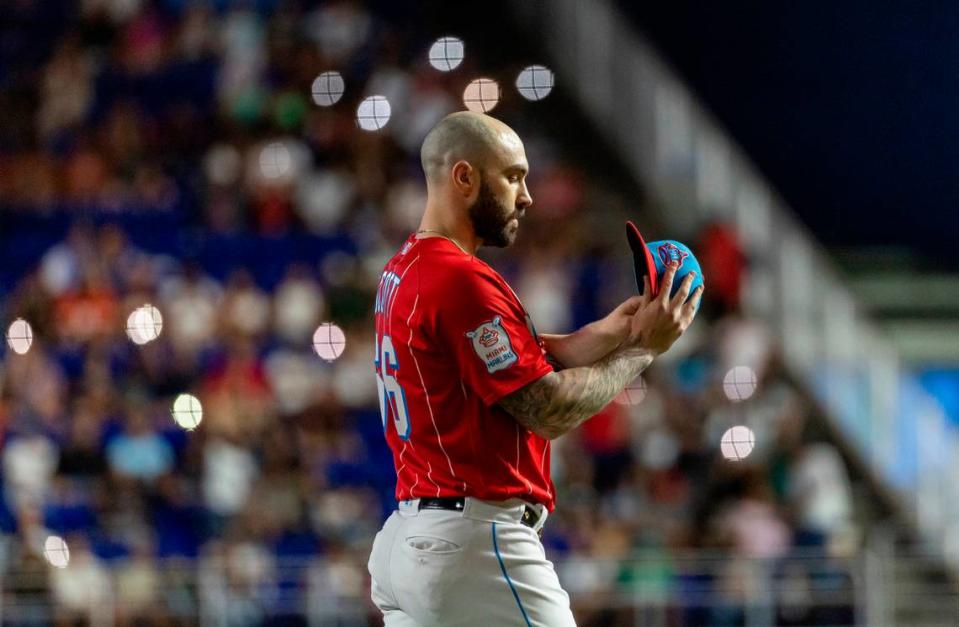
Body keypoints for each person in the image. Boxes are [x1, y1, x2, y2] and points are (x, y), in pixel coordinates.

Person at [368, 111, 703, 626]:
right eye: (514, 176)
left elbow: (514, 361)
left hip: (412, 538)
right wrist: (644, 352)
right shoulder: (461, 280)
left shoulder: (407, 268)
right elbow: (546, 409)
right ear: (464, 177)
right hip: (475, 541)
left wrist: (615, 332)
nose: (526, 195)